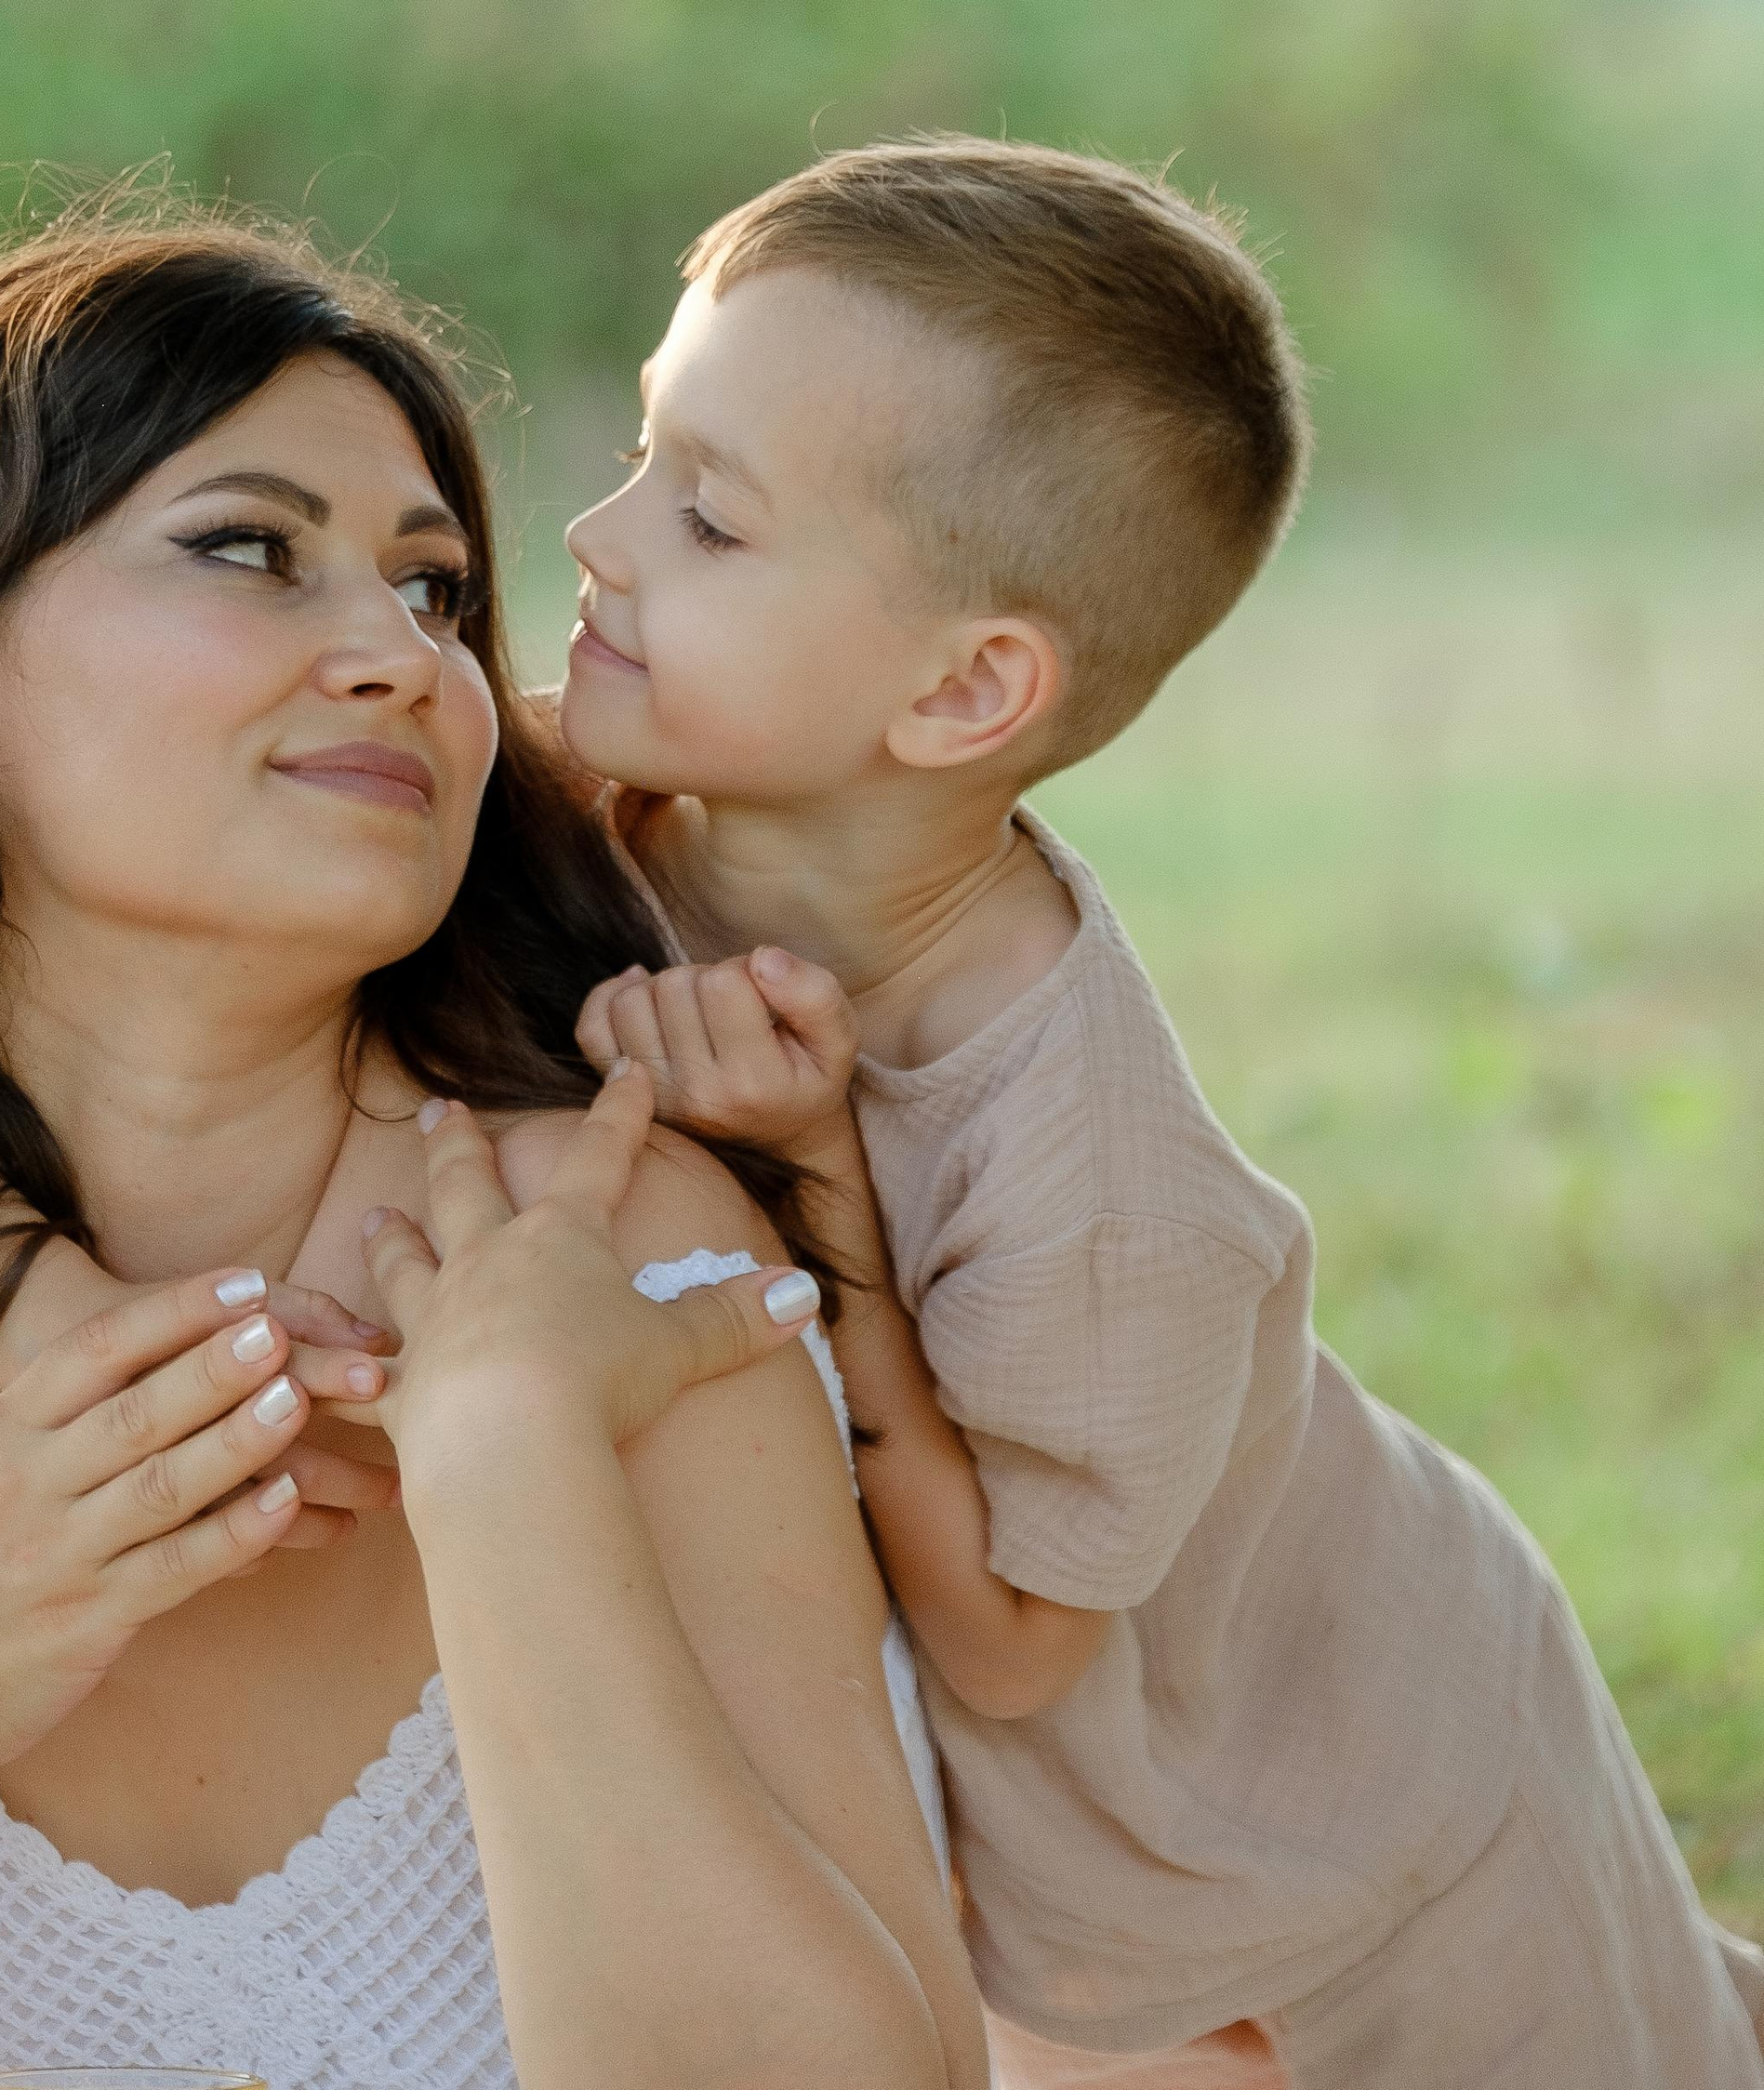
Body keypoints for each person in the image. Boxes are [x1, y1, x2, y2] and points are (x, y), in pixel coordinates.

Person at [0, 208, 981, 2090]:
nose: (396, 654)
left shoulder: (611, 1255)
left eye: (432, 590)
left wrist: (506, 1461)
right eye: (251, 551)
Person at [537, 133, 1764, 2089]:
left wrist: (822, 1192)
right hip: (1081, 1859)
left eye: (709, 514)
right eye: (637, 449)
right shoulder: (614, 818)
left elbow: (1022, 1646)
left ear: (960, 695)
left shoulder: (1096, 1184)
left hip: (1356, 1807)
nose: (597, 536)